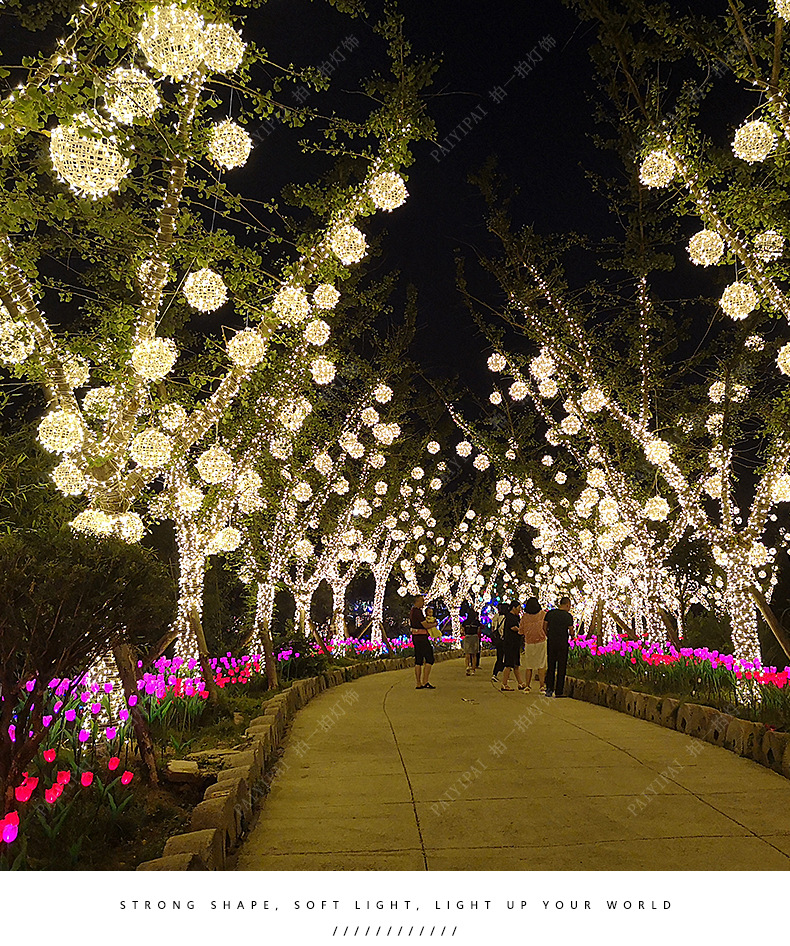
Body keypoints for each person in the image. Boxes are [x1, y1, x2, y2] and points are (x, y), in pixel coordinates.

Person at [544, 596, 574, 698]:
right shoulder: (568, 616)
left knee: (551, 665)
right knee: (561, 666)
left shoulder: (550, 613)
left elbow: (544, 626)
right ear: (567, 605)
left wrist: (548, 635)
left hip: (551, 642)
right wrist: (573, 636)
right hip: (562, 643)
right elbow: (571, 630)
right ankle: (559, 691)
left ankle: (549, 689)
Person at [519, 595, 547, 693]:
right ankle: (542, 686)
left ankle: (527, 686)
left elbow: (521, 630)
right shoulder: (542, 614)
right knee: (541, 664)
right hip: (541, 641)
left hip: (529, 642)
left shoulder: (525, 616)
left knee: (529, 665)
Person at [409, 594, 435, 689]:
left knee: (419, 660)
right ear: (417, 601)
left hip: (416, 637)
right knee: (430, 658)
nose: (423, 603)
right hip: (421, 638)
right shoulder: (417, 612)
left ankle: (418, 683)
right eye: (422, 601)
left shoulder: (413, 611)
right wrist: (434, 624)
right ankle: (425, 681)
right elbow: (425, 625)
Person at [500, 601, 527, 691]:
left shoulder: (516, 617)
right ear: (513, 608)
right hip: (510, 644)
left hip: (515, 643)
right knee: (508, 664)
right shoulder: (510, 617)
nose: (519, 610)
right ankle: (504, 684)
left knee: (516, 664)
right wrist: (521, 631)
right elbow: (514, 628)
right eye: (518, 608)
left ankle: (520, 683)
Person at [490, 602, 508, 684]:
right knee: (506, 658)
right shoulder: (506, 618)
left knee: (499, 657)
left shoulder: (496, 616)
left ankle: (496, 673)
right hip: (504, 640)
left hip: (498, 640)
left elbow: (493, 628)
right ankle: (502, 674)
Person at [462, 607, 481, 675]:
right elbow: (478, 630)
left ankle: (467, 667)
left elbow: (462, 630)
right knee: (474, 654)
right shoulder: (477, 622)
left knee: (467, 653)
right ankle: (473, 669)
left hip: (467, 637)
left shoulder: (465, 622)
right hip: (475, 637)